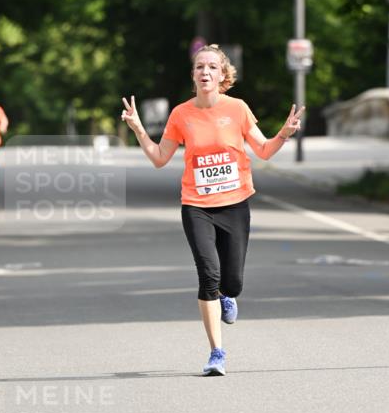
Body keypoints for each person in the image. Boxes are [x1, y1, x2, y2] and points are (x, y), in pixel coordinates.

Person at [121, 44, 304, 376]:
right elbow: (160, 158)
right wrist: (137, 128)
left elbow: (262, 150)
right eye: (199, 67)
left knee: (232, 282)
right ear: (193, 75)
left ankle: (228, 296)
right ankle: (216, 353)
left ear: (223, 75)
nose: (205, 72)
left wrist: (284, 134)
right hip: (196, 205)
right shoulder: (181, 114)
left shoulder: (237, 109)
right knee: (209, 277)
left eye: (212, 67)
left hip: (234, 204)